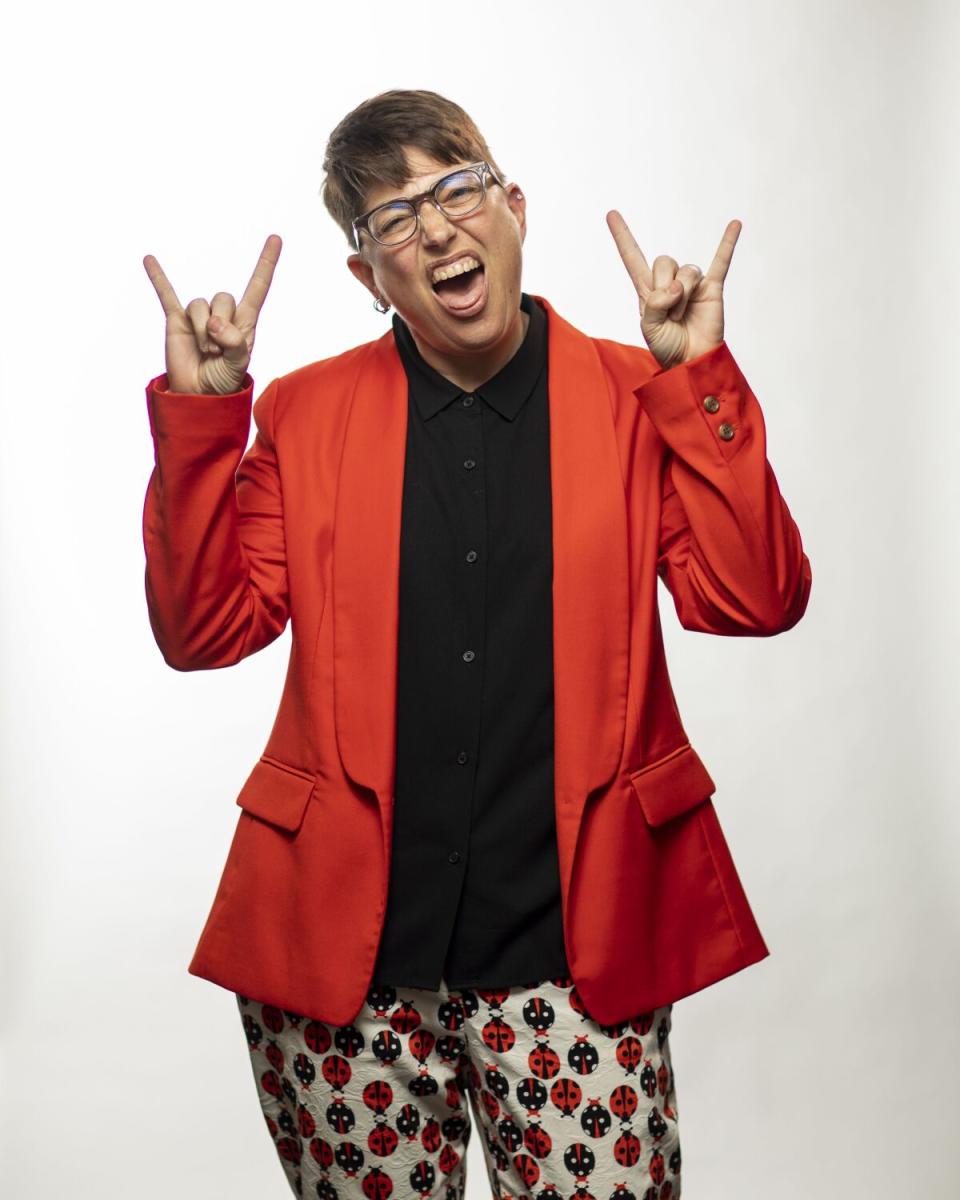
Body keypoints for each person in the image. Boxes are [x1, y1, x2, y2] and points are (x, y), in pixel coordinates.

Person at [141, 88, 811, 1199]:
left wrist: (700, 380)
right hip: (346, 977)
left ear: (513, 207)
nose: (438, 228)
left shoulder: (639, 396)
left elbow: (756, 597)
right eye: (395, 220)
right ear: (369, 278)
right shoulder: (304, 415)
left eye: (458, 190)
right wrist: (201, 419)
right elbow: (206, 628)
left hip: (571, 955)